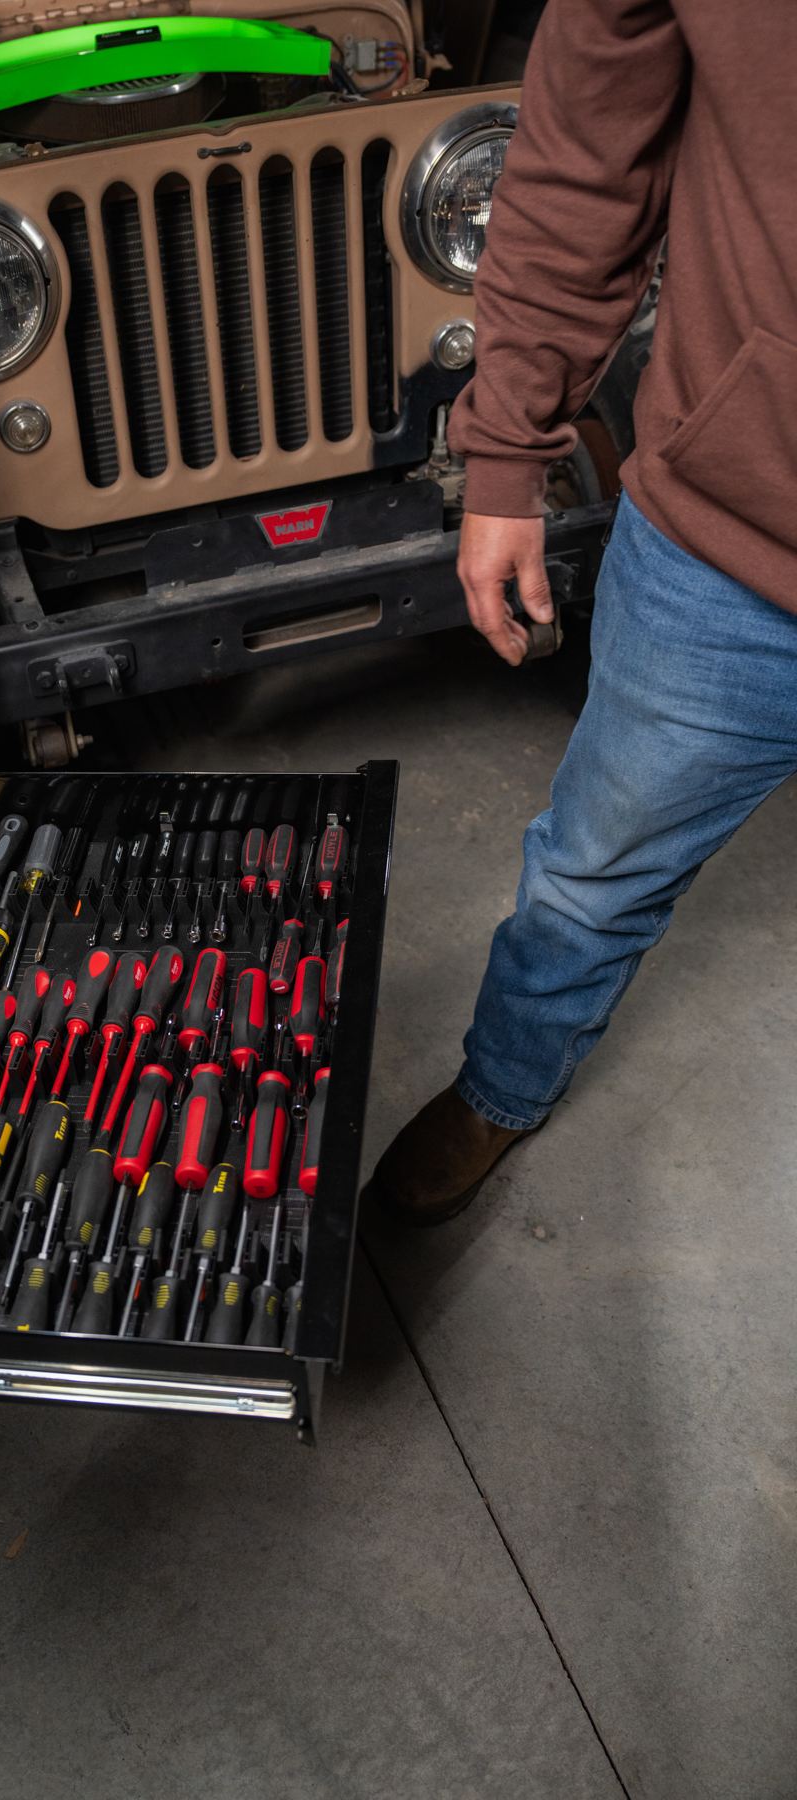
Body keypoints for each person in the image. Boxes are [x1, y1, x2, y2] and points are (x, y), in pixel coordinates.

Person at [367, 0, 797, 1225]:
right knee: (593, 877)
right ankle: (501, 1089)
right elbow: (581, 163)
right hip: (741, 546)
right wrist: (505, 453)